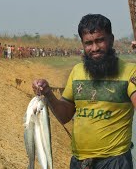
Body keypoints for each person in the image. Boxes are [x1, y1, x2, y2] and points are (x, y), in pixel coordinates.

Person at [32, 14, 136, 169]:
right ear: (82, 43)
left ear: (111, 39)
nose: (94, 48)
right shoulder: (77, 71)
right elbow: (65, 115)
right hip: (79, 162)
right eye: (88, 43)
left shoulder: (130, 72)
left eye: (100, 40)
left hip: (115, 162)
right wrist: (48, 93)